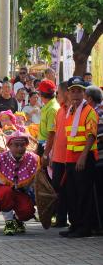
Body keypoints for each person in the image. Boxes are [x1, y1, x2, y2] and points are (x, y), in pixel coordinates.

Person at [0, 131, 40, 235]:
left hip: (21, 193)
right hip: (1, 193)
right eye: (16, 145)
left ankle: (17, 220)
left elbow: (37, 183)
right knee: (6, 191)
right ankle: (9, 222)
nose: (20, 148)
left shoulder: (33, 159)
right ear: (9, 146)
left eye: (22, 145)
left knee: (28, 212)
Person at [60, 77, 98, 238]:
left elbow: (91, 136)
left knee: (84, 194)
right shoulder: (71, 111)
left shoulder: (89, 111)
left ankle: (84, 227)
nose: (76, 94)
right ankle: (75, 225)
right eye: (73, 91)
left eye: (79, 91)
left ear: (84, 93)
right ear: (68, 93)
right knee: (71, 193)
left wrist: (83, 157)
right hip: (70, 158)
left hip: (84, 158)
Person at [50, 81, 69, 228]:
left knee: (68, 190)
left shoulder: (74, 111)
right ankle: (61, 218)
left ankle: (70, 220)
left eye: (59, 93)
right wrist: (51, 155)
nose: (57, 96)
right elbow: (56, 134)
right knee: (57, 189)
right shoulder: (60, 111)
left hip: (69, 158)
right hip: (57, 157)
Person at [85, 85, 103, 232]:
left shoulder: (95, 113)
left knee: (98, 194)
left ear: (89, 99)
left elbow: (94, 137)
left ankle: (98, 225)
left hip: (98, 160)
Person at [37, 79, 59, 158]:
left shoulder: (52, 109)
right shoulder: (48, 106)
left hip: (46, 146)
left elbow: (52, 134)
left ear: (41, 94)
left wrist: (45, 155)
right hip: (43, 144)